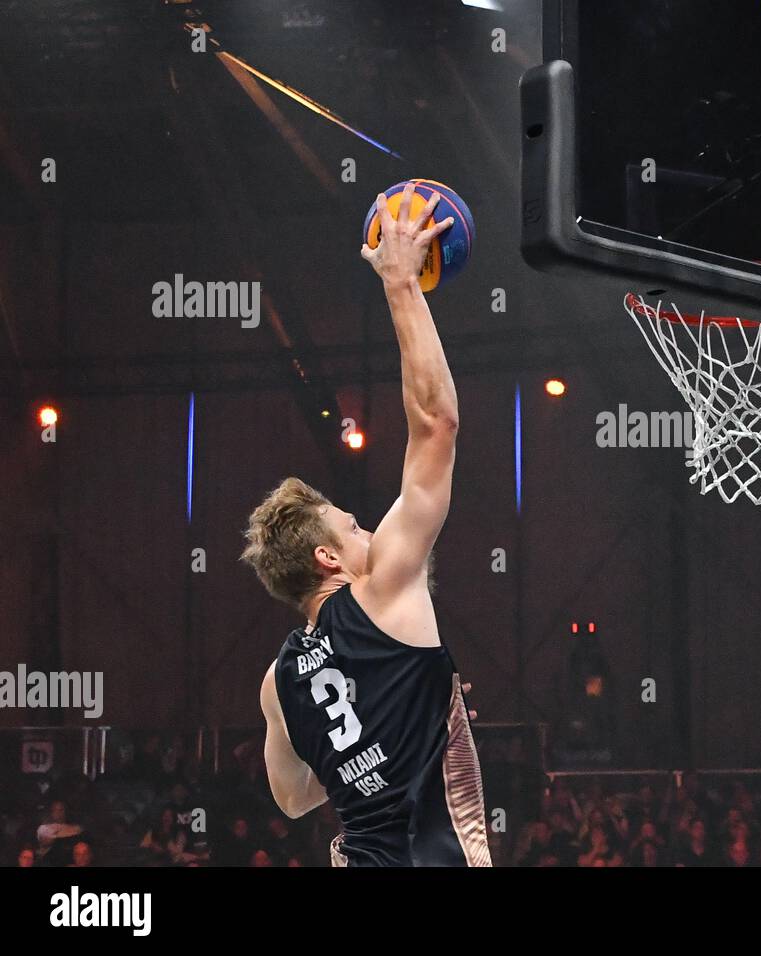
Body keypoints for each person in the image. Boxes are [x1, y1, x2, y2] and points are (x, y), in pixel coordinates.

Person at [243, 185, 490, 867]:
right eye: (353, 527)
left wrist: (362, 750)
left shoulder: (278, 683)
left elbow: (292, 798)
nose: (369, 534)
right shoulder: (382, 587)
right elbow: (436, 425)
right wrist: (402, 285)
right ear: (328, 557)